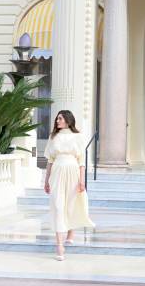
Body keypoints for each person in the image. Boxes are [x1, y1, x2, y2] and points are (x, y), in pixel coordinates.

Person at [44, 110, 95, 261]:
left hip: (73, 171)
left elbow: (81, 161)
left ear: (68, 120)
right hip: (57, 173)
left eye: (60, 118)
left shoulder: (78, 137)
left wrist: (82, 181)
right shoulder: (53, 137)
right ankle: (59, 245)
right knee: (58, 206)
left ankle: (71, 231)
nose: (57, 121)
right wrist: (46, 180)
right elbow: (50, 160)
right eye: (57, 119)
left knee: (71, 204)